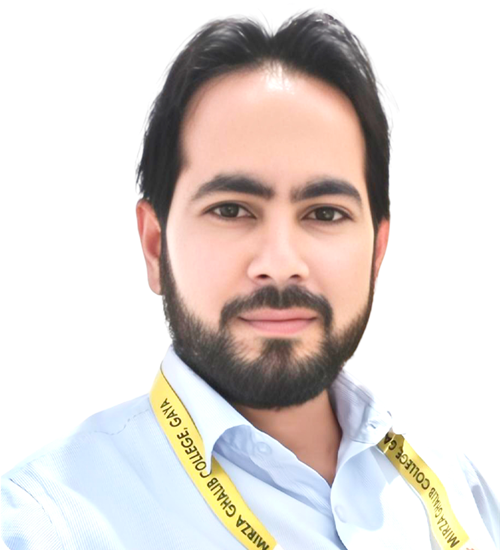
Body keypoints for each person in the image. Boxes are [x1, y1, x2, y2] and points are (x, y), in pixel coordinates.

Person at [2, 10, 499, 550]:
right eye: (232, 210)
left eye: (325, 213)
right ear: (154, 246)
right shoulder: (47, 525)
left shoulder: (458, 489)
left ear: (377, 250)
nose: (280, 263)